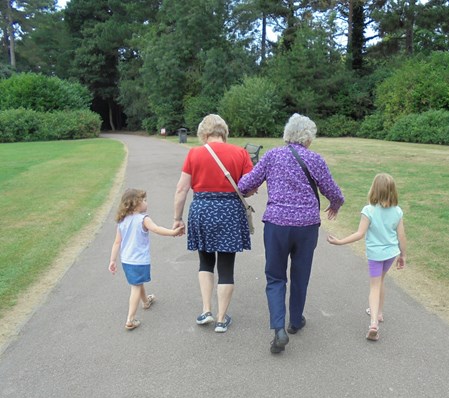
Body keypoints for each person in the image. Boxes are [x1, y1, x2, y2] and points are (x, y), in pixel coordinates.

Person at [238, 113, 344, 354]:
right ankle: (295, 321)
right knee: (300, 273)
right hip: (306, 227)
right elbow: (333, 192)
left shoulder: (273, 156)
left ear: (287, 134)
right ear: (307, 138)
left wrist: (250, 187)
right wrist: (335, 205)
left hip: (277, 225)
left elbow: (245, 185)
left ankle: (278, 329)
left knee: (275, 277)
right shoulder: (315, 159)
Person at [173, 114, 253, 333]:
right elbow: (250, 187)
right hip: (229, 211)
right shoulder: (240, 153)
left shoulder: (194, 154)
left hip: (202, 210)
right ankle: (220, 319)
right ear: (223, 132)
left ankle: (206, 310)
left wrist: (177, 219)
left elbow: (182, 189)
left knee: (205, 262)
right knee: (226, 266)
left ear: (203, 133)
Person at [327, 173, 407, 341]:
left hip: (375, 255)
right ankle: (378, 313)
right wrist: (403, 255)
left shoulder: (369, 210)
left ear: (374, 190)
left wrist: (340, 242)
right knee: (381, 281)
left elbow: (359, 234)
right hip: (391, 253)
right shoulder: (397, 211)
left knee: (374, 286)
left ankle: (373, 324)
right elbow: (401, 236)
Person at [109, 188, 184, 331]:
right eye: (143, 200)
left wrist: (112, 260)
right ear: (136, 204)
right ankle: (130, 319)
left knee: (137, 282)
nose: (146, 202)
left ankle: (145, 301)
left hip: (126, 260)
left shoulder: (122, 220)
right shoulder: (143, 218)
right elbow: (156, 229)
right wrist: (173, 232)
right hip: (139, 260)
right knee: (136, 287)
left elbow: (117, 242)